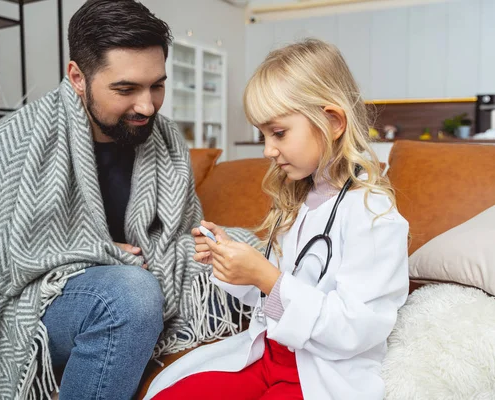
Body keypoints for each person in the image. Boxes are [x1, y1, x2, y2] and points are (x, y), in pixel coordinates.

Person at [0, 1, 257, 399]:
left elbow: (180, 237)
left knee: (258, 258)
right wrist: (95, 252)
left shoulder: (166, 140)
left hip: (142, 278)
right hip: (46, 303)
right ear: (77, 76)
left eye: (157, 85)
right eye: (126, 89)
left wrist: (216, 247)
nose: (147, 106)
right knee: (131, 294)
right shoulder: (9, 145)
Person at [145, 39, 410, 400]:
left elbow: (357, 327)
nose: (268, 150)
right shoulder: (300, 200)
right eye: (263, 135)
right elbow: (273, 299)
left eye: (279, 133)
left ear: (332, 121)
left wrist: (267, 277)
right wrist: (235, 263)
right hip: (269, 356)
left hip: (320, 374)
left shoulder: (373, 214)